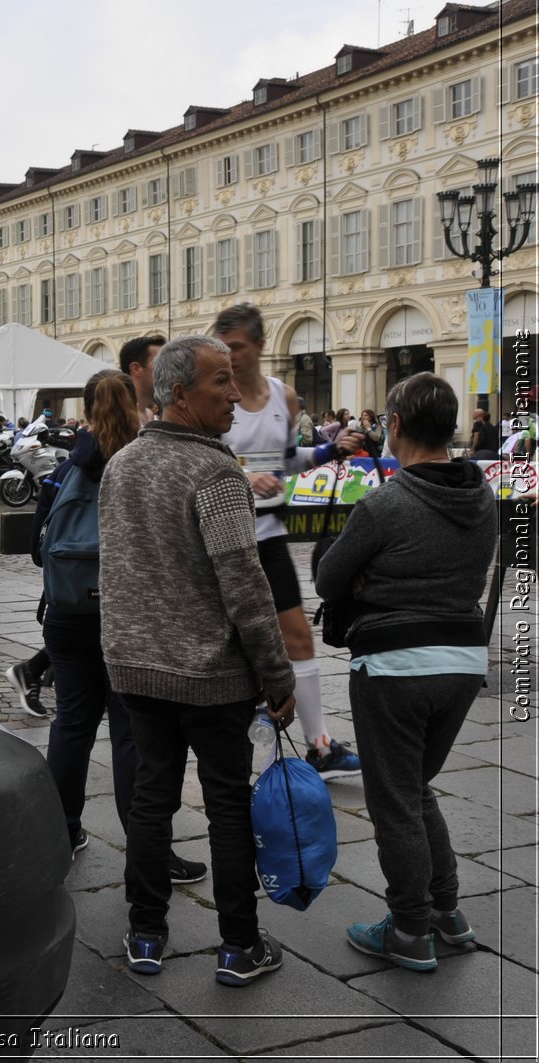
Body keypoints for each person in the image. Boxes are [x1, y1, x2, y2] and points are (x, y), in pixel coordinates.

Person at [100, 334, 294, 988]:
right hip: (211, 676)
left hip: (139, 668)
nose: (234, 394)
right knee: (227, 806)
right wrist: (277, 674)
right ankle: (239, 944)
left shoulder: (123, 462)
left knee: (152, 799)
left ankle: (145, 933)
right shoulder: (215, 471)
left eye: (234, 380)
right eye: (221, 382)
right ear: (179, 391)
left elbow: (117, 571)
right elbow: (245, 583)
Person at [314, 373, 497, 972]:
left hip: (396, 665)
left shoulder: (384, 503)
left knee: (394, 801)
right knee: (415, 789)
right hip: (464, 663)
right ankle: (446, 911)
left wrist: (372, 574)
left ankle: (410, 929)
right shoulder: (483, 498)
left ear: (393, 425)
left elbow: (328, 578)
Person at [31, 368, 208, 885]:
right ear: (138, 406)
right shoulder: (147, 465)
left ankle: (63, 831)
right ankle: (150, 850)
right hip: (128, 618)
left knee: (72, 725)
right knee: (132, 734)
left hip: (66, 617)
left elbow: (37, 548)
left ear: (84, 411)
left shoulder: (63, 470)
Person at [214, 303, 364, 782]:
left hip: (271, 537)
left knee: (298, 636)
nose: (229, 356)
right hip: (226, 541)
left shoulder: (285, 397)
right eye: (223, 348)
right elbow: (203, 459)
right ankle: (232, 745)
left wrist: (327, 450)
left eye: (235, 346)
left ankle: (320, 745)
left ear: (259, 345)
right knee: (232, 649)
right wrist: (244, 474)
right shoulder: (218, 398)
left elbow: (284, 459)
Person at [121, 334, 166, 424]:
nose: (167, 370)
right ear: (136, 369)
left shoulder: (151, 416)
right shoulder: (121, 418)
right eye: (159, 364)